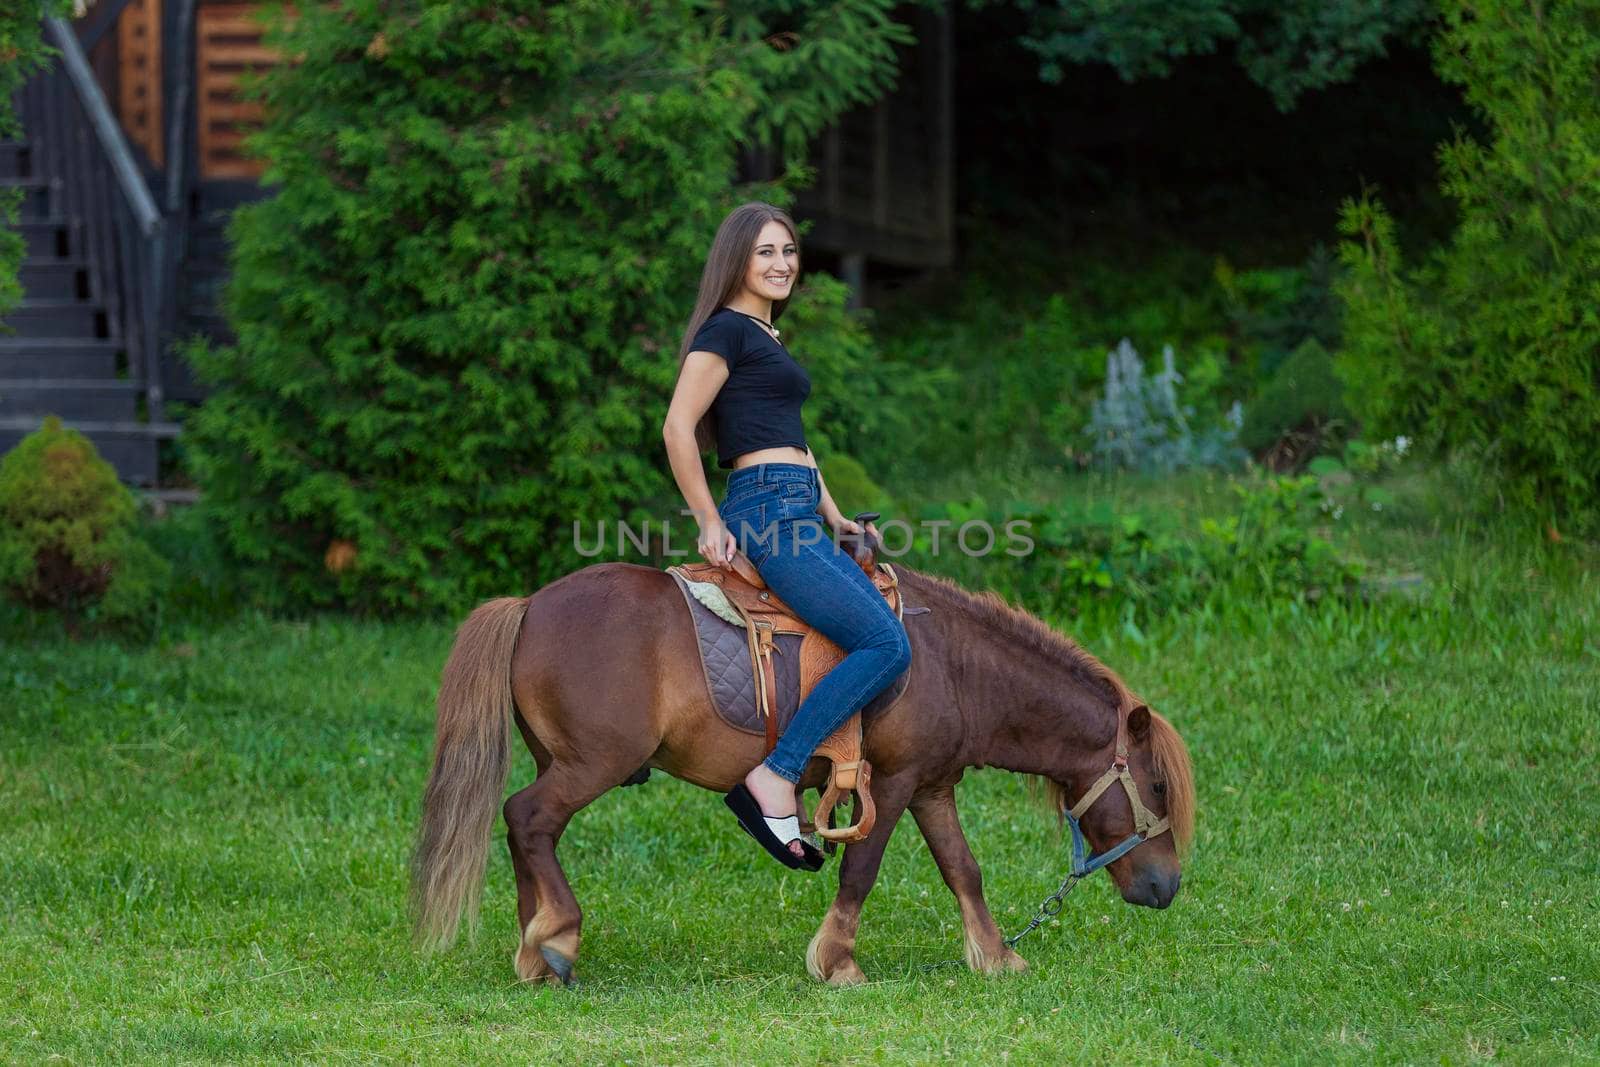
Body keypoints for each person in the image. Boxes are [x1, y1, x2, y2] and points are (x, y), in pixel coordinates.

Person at [661, 202, 913, 871]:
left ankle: (787, 769)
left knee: (873, 628)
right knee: (886, 641)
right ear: (737, 260)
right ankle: (777, 773)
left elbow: (795, 444)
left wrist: (835, 516)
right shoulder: (726, 332)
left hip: (797, 506)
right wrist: (709, 519)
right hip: (766, 513)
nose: (781, 264)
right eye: (765, 252)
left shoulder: (765, 339)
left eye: (789, 252)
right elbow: (677, 427)